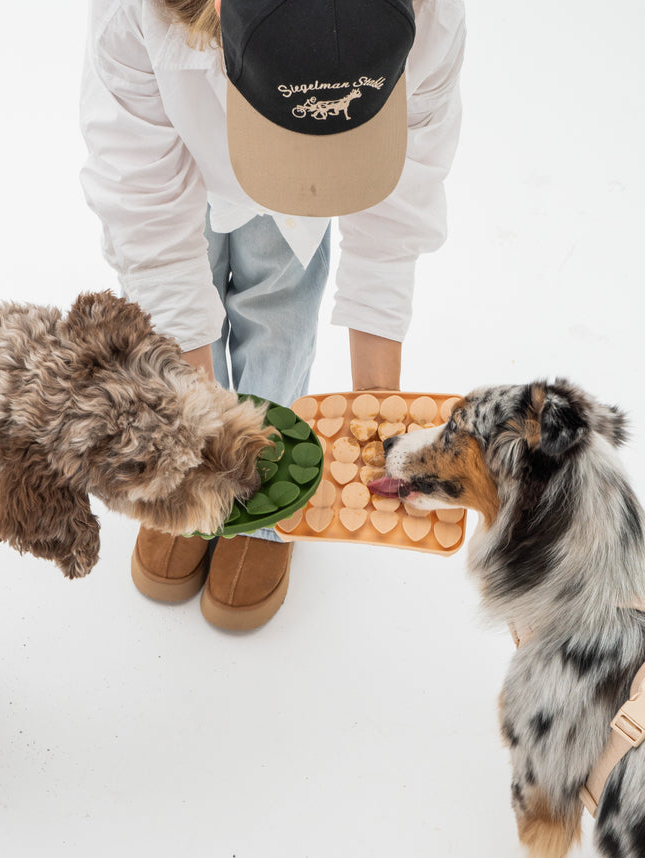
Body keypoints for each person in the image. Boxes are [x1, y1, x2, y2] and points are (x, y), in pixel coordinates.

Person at [80, 0, 466, 630]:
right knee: (183, 290)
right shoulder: (137, 14)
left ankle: (268, 488)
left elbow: (403, 197)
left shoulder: (433, 15)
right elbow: (141, 202)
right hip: (180, 151)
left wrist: (380, 408)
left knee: (280, 302)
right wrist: (199, 441)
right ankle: (198, 471)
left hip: (295, 186)